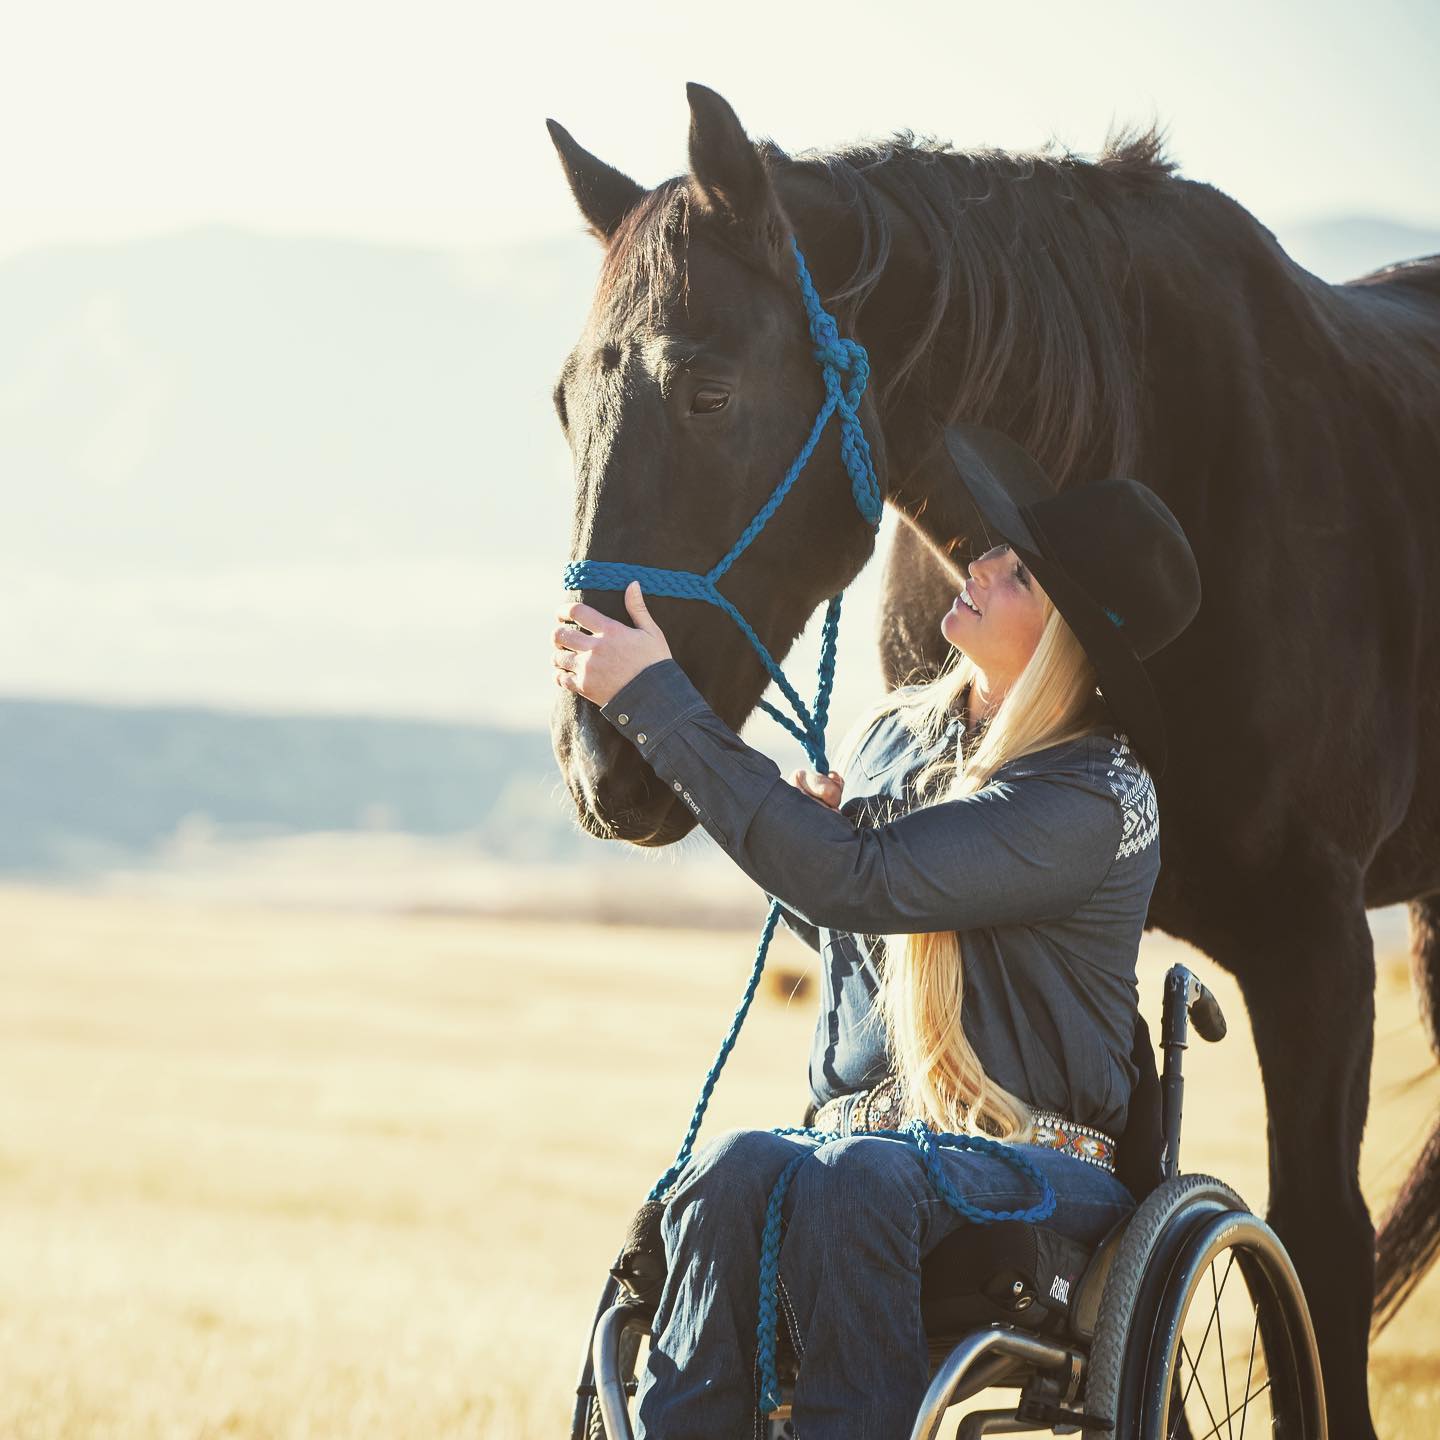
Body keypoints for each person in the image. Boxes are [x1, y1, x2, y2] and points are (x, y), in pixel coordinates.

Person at [551, 423, 1202, 1440]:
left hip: (1039, 1175)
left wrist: (656, 704)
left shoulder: (1094, 797)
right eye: (996, 547)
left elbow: (863, 881)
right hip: (871, 1154)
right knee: (727, 1170)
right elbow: (846, 906)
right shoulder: (898, 734)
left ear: (1067, 638)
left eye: (1018, 571)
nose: (979, 562)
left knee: (856, 1177)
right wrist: (799, 832)